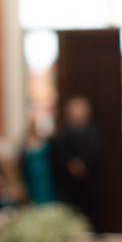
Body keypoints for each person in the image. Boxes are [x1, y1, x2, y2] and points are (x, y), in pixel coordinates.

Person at [51, 96, 101, 232]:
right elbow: (59, 154)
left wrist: (84, 164)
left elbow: (95, 152)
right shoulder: (63, 132)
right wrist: (70, 164)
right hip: (68, 185)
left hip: (89, 183)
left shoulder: (93, 132)